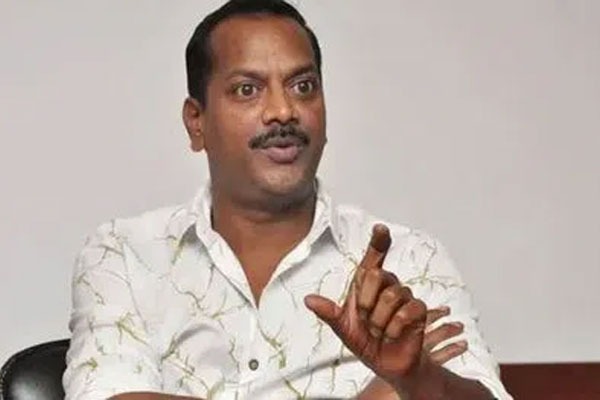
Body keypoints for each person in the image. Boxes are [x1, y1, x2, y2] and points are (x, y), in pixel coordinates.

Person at [63, 0, 511, 399]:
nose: (283, 111)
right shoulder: (124, 255)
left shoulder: (411, 259)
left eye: (303, 86)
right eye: (247, 89)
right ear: (196, 122)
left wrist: (416, 380)